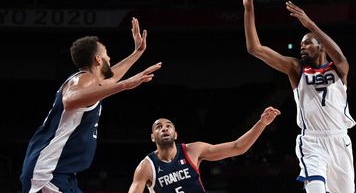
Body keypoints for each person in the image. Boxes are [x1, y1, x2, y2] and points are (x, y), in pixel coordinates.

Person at [20, 17, 162, 193]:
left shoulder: (91, 83)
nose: (109, 57)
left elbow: (111, 78)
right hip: (47, 174)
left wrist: (137, 53)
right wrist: (125, 85)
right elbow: (70, 99)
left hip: (62, 174)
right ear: (98, 59)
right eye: (106, 54)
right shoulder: (83, 78)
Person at [242, 0, 356, 193]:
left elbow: (339, 56)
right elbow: (254, 49)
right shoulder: (296, 68)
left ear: (320, 45)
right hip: (312, 141)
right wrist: (249, 6)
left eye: (307, 43)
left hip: (340, 140)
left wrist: (310, 25)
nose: (302, 47)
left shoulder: (339, 69)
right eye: (301, 44)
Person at [128, 106, 281, 193]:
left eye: (168, 126)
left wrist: (262, 123)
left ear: (176, 134)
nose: (164, 129)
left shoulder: (192, 151)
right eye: (159, 127)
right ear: (153, 137)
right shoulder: (146, 167)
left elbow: (238, 147)